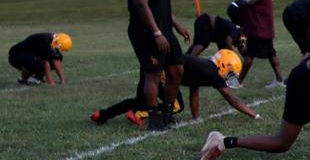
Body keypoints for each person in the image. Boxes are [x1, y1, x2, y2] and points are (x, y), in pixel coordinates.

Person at [126, 0, 190, 132]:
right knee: (153, 74)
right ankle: (154, 117)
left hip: (164, 30)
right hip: (147, 33)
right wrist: (156, 33)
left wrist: (175, 25)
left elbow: (160, 5)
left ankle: (168, 112)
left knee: (176, 70)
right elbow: (141, 6)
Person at [91, 50, 258, 124]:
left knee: (140, 100)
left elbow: (194, 92)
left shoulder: (205, 67)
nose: (229, 76)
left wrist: (195, 118)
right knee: (176, 106)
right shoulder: (212, 73)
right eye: (230, 72)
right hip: (161, 70)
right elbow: (232, 99)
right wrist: (255, 115)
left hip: (154, 65)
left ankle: (103, 114)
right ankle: (139, 114)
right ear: (224, 65)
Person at [231, 0, 285, 88]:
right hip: (264, 27)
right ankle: (279, 80)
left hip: (258, 28)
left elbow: (243, 3)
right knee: (271, 54)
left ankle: (238, 82)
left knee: (249, 56)